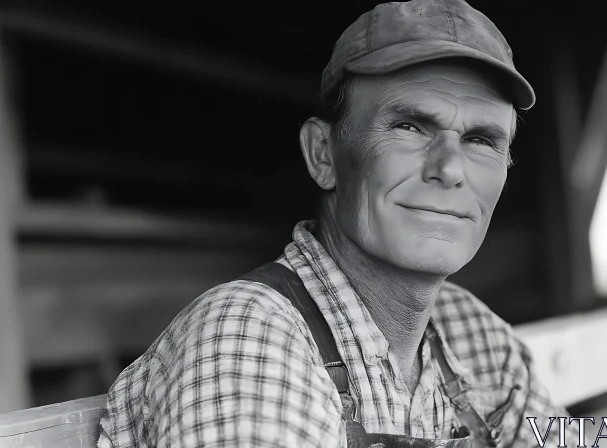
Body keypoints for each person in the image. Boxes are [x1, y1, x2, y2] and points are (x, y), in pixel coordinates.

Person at [98, 0, 577, 446]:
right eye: (409, 126)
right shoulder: (248, 337)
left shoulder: (472, 333)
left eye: (481, 139)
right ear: (323, 154)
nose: (449, 169)